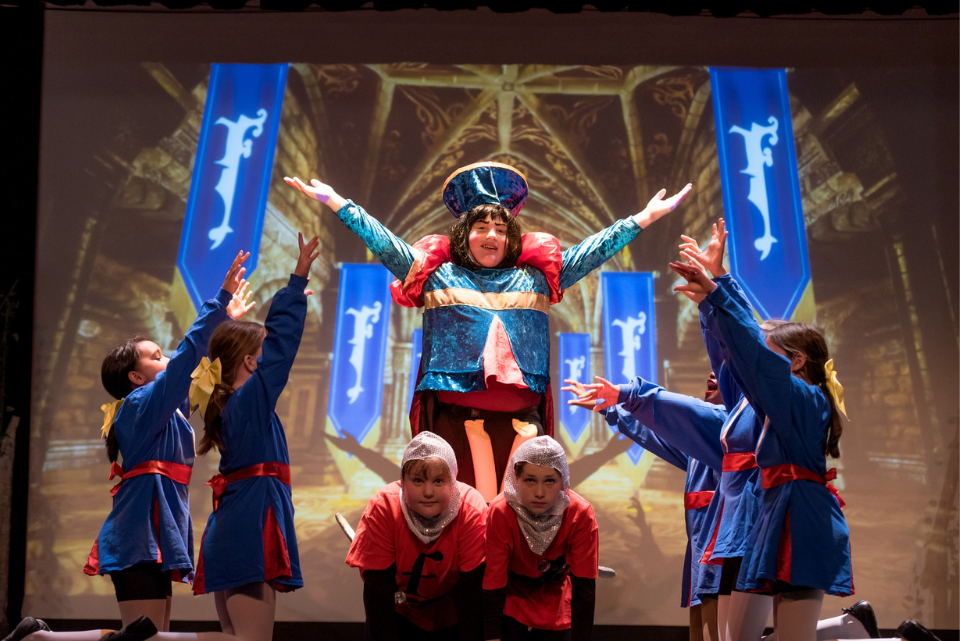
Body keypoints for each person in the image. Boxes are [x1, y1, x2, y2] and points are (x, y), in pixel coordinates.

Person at [284, 162, 692, 500]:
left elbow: (596, 249)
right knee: (460, 518)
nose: (491, 235)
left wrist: (643, 219)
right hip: (453, 424)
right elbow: (383, 240)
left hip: (521, 425)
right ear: (465, 235)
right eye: (481, 227)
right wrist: (337, 203)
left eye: (500, 227)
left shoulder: (535, 279)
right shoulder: (437, 275)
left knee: (516, 523)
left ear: (511, 236)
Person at [3, 253, 252, 641]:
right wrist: (218, 301)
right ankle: (42, 639)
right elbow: (189, 354)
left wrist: (226, 323)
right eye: (156, 357)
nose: (166, 357)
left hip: (155, 538)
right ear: (136, 378)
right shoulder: (139, 405)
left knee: (147, 637)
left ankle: (41, 638)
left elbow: (198, 361)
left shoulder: (167, 410)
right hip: (139, 537)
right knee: (145, 638)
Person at [670, 234, 853, 641]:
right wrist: (713, 297)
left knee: (790, 637)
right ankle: (850, 629)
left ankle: (851, 630)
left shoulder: (805, 398)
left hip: (799, 518)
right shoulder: (772, 401)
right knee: (736, 638)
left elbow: (751, 353)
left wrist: (720, 289)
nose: (754, 362)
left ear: (797, 361)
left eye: (771, 351)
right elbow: (737, 355)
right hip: (771, 515)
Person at [186, 233, 319, 641]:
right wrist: (296, 282)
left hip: (236, 522)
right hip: (247, 527)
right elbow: (281, 346)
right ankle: (153, 638)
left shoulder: (230, 403)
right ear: (248, 362)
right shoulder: (248, 400)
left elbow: (260, 350)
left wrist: (230, 324)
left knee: (237, 637)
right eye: (259, 357)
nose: (269, 366)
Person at [563, 371, 725, 641]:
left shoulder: (736, 432)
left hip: (721, 561)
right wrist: (612, 408)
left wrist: (627, 395)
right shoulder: (707, 443)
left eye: (725, 366)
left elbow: (679, 409)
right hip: (703, 563)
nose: (712, 372)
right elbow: (661, 437)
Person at [345, 432, 488, 640]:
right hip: (398, 614)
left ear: (453, 481)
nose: (428, 492)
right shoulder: (385, 507)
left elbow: (471, 595)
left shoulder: (471, 509)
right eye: (418, 480)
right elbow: (378, 594)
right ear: (403, 480)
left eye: (438, 481)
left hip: (454, 614)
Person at [483, 436, 598, 641]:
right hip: (512, 598)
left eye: (550, 481)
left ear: (563, 481)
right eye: (530, 480)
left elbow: (584, 587)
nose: (539, 492)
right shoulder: (500, 511)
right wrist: (492, 637)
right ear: (515, 478)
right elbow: (494, 579)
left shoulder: (580, 513)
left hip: (557, 598)